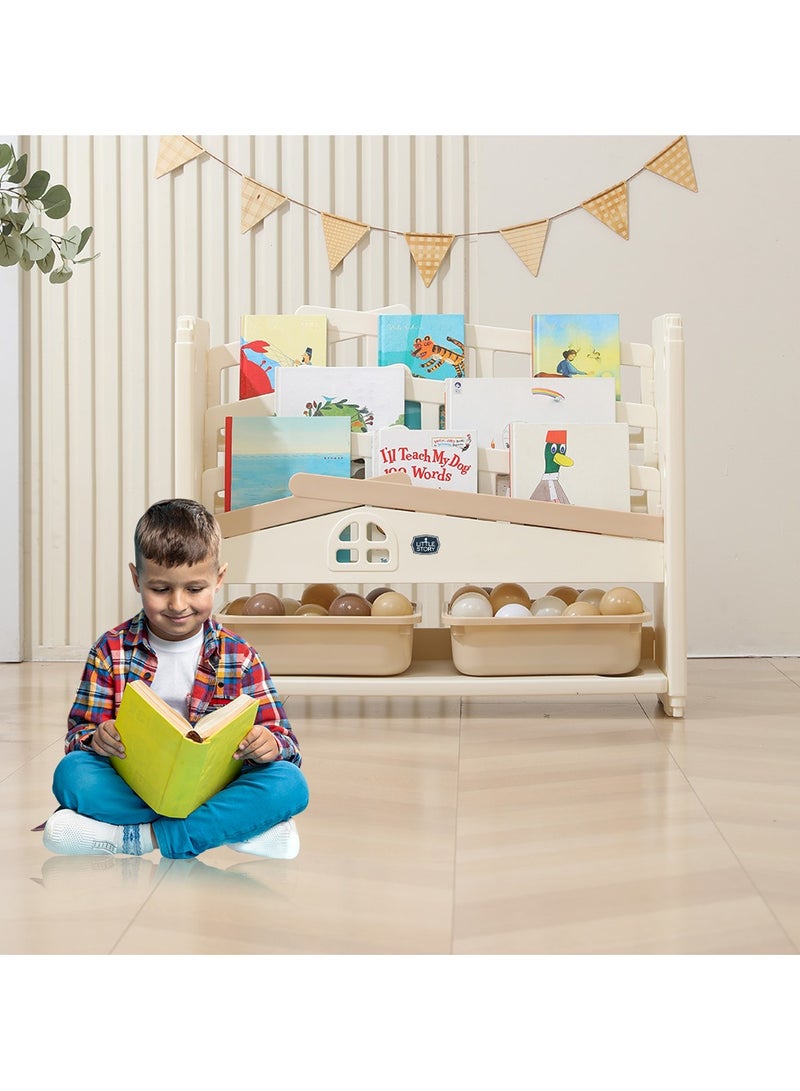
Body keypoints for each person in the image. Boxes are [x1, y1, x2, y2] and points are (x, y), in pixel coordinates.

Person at [42, 498, 309, 860]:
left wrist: (269, 745)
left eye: (195, 589)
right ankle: (231, 828)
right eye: (161, 589)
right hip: (137, 786)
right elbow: (78, 737)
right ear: (137, 579)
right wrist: (96, 739)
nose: (178, 604)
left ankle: (139, 838)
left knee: (289, 786)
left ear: (219, 579)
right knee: (72, 775)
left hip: (217, 786)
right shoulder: (111, 651)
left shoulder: (240, 655)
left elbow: (286, 744)